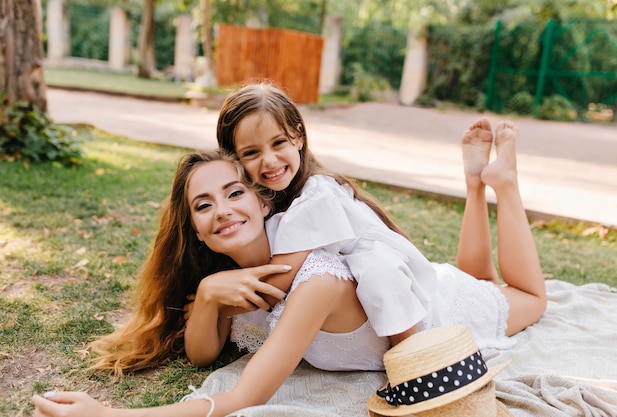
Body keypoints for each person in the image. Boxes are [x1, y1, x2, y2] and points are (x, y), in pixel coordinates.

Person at [32, 118, 547, 417]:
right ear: (193, 227)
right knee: (477, 274)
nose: (224, 210)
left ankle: (500, 184)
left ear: (263, 201)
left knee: (524, 295)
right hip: (415, 287)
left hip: (441, 313)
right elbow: (201, 356)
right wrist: (210, 294)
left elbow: (242, 397)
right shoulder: (236, 282)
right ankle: (476, 184)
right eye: (203, 205)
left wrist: (109, 415)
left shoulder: (316, 277)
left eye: (234, 192)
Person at [216, 82, 547, 345]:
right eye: (251, 152)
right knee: (481, 282)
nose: (270, 161)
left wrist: (213, 300)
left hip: (425, 316)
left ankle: (505, 183)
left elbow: (271, 286)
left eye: (278, 143)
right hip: (427, 288)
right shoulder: (276, 200)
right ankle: (475, 185)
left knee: (532, 298)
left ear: (299, 136)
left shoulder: (315, 199)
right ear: (233, 160)